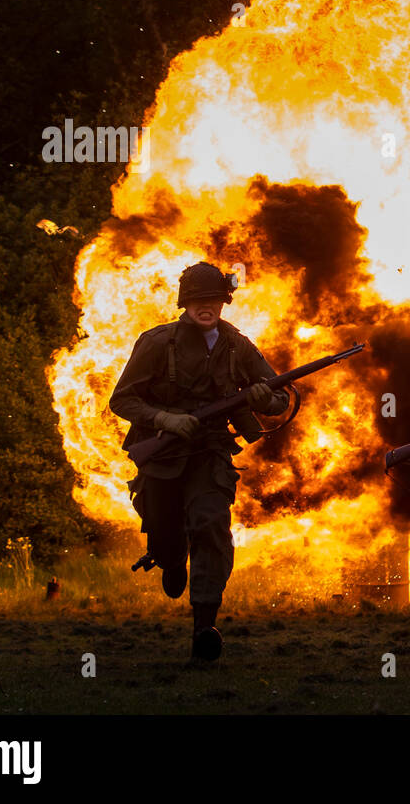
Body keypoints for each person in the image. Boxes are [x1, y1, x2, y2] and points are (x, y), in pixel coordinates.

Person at [109, 262, 289, 662]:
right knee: (165, 529)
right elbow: (121, 400)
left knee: (210, 524)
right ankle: (170, 558)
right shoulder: (157, 343)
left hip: (210, 452)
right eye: (197, 300)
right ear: (184, 303)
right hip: (164, 453)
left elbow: (279, 397)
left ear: (223, 302)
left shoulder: (237, 345)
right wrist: (165, 418)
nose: (205, 307)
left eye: (212, 299)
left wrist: (263, 399)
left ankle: (204, 625)